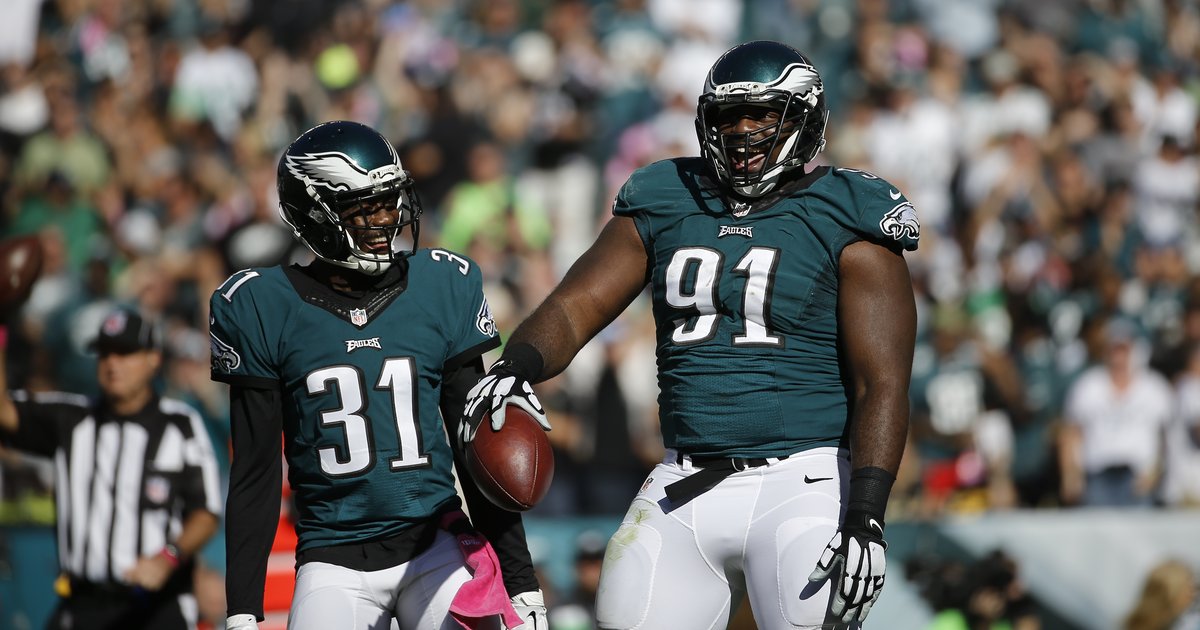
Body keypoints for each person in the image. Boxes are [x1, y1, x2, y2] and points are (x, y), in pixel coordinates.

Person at [460, 40, 918, 629]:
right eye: (731, 116)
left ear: (804, 119)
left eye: (762, 114)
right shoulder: (667, 195)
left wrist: (868, 515)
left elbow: (882, 383)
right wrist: (515, 364)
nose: (744, 131)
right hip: (684, 477)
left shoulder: (848, 211)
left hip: (805, 480)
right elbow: (577, 306)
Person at [210, 120, 546, 630]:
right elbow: (255, 471)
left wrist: (522, 583)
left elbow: (474, 446)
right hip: (333, 557)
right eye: (364, 206)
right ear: (314, 212)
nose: (386, 218)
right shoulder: (259, 304)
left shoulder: (440, 284)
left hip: (435, 543)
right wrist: (241, 611)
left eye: (389, 200)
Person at [0, 306, 223, 629]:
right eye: (105, 354)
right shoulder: (72, 419)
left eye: (125, 353)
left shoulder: (179, 424)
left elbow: (205, 513)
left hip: (155, 604)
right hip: (83, 601)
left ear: (153, 359)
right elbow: (4, 412)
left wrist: (169, 556)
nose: (112, 364)